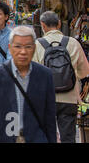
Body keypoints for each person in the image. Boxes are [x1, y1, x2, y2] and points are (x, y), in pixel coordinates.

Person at [0, 26, 57, 143]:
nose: (23, 52)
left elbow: (50, 117)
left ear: (34, 48)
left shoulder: (45, 75)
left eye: (28, 47)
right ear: (10, 48)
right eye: (18, 46)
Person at [32, 11, 89, 143]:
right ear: (59, 24)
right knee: (68, 137)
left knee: (46, 136)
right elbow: (85, 71)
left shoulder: (37, 45)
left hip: (45, 98)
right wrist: (73, 77)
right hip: (69, 98)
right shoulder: (73, 43)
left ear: (42, 25)